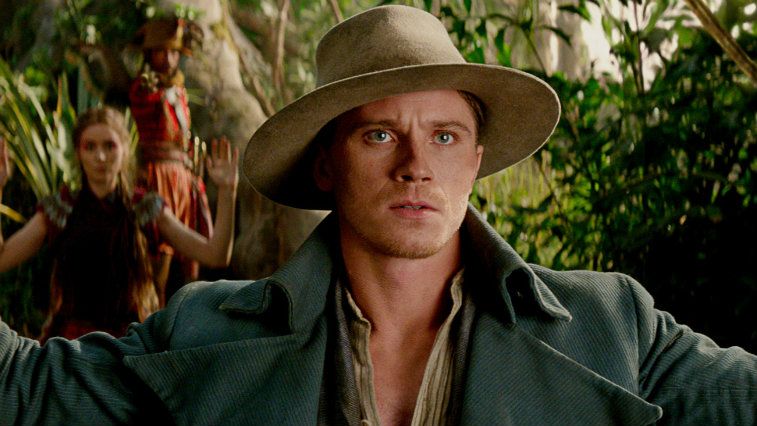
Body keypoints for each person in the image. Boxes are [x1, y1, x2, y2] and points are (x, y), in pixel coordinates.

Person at [0, 6, 755, 424]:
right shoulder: (207, 333)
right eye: (380, 135)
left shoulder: (610, 325)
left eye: (444, 136)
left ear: (475, 158)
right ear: (326, 163)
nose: (416, 164)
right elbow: (25, 391)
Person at [0, 106, 238, 342]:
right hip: (71, 346)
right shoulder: (61, 209)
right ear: (78, 153)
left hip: (131, 345)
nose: (100, 157)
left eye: (109, 146)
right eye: (90, 147)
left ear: (125, 149)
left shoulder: (144, 209)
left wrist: (227, 191)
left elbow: (215, 255)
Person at [129, 16, 210, 300]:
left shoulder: (179, 90)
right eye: (162, 51)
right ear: (150, 54)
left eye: (174, 52)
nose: (169, 58)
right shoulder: (144, 88)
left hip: (182, 178)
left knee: (188, 262)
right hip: (158, 176)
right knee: (158, 259)